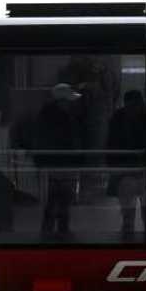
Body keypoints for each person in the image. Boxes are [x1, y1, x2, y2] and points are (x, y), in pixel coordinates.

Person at [106, 90, 146, 238]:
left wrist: (115, 167)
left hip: (126, 171)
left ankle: (128, 229)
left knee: (128, 208)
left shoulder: (117, 122)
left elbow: (110, 147)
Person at [34, 82, 84, 237]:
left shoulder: (54, 116)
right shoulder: (57, 118)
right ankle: (57, 230)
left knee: (60, 199)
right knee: (57, 198)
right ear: (61, 101)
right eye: (68, 101)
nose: (71, 104)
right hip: (58, 164)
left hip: (59, 164)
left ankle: (56, 229)